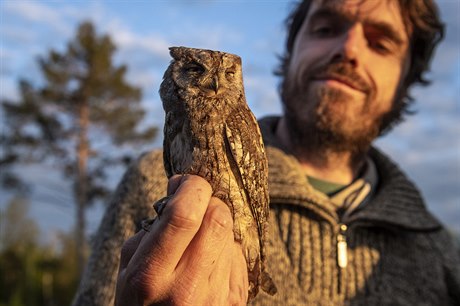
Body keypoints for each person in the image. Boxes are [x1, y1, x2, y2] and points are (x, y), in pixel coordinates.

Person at [72, 0, 460, 305]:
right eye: (326, 28)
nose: (348, 49)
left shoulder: (441, 254)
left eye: (380, 42)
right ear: (291, 49)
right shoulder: (152, 182)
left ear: (407, 77)